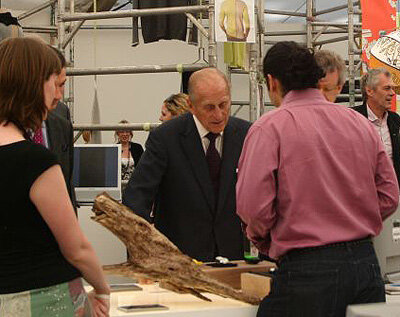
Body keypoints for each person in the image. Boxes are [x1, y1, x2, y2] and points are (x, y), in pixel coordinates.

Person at [236, 41, 399, 317]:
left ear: (271, 82)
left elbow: (253, 208)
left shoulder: (270, 127)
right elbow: (389, 195)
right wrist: (357, 220)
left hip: (307, 269)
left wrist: (266, 240)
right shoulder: (358, 123)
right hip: (365, 264)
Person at [0, 37, 110, 316]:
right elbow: (76, 248)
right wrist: (102, 289)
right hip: (42, 298)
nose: (59, 95)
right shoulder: (34, 160)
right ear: (33, 83)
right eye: (54, 83)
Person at [123, 68, 251, 262]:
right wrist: (143, 253)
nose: (219, 114)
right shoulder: (166, 138)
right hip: (181, 261)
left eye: (224, 104)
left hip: (234, 259)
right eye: (209, 107)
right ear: (191, 105)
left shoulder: (246, 134)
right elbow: (137, 199)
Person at [352, 68, 400, 186]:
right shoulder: (352, 119)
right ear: (369, 91)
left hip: (392, 194)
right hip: (361, 193)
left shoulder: (395, 120)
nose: (392, 93)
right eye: (387, 88)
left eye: (392, 88)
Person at [115, 119, 144, 192]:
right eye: (122, 131)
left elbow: (143, 168)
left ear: (130, 133)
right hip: (119, 189)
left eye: (127, 131)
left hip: (135, 187)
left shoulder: (138, 148)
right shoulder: (114, 149)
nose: (125, 134)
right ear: (118, 133)